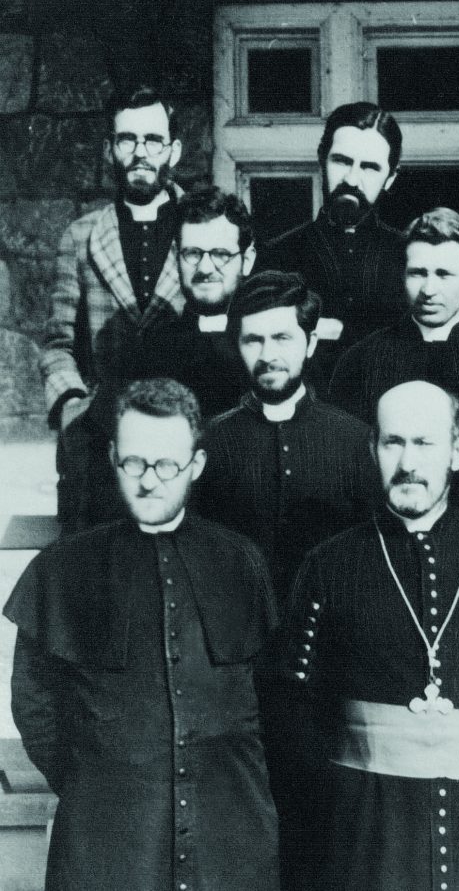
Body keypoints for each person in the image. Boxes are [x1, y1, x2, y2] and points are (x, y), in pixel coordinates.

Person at [284, 380, 459, 891]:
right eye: (393, 442)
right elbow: (298, 706)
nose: (407, 461)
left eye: (424, 443)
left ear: (457, 452)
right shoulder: (330, 563)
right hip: (365, 817)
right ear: (373, 450)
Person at [4, 378, 280, 891]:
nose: (149, 480)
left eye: (167, 465)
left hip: (228, 833)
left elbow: (271, 695)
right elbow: (35, 707)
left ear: (195, 464)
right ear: (112, 457)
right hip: (108, 838)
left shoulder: (240, 562)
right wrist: (97, 781)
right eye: (134, 463)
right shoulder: (64, 569)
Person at [41, 84, 186, 530]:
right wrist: (73, 407)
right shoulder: (82, 235)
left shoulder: (203, 230)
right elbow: (56, 344)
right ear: (110, 150)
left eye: (153, 140)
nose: (140, 152)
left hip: (181, 435)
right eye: (128, 140)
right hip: (102, 440)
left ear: (174, 150)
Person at [195, 270, 377, 600]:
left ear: (311, 344)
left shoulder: (356, 441)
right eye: (253, 340)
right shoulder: (207, 444)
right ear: (236, 345)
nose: (267, 356)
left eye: (282, 338)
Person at [254, 101, 406, 387]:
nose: (351, 178)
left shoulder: (409, 258)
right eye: (341, 161)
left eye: (370, 167)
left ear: (391, 177)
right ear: (322, 159)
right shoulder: (278, 255)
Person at [327, 207, 459, 421]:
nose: (428, 290)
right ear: (403, 274)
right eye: (418, 273)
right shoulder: (361, 359)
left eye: (443, 274)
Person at [134, 185, 255, 417]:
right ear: (175, 259)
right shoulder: (153, 349)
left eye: (221, 254)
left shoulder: (267, 346)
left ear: (247, 260)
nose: (206, 268)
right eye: (193, 253)